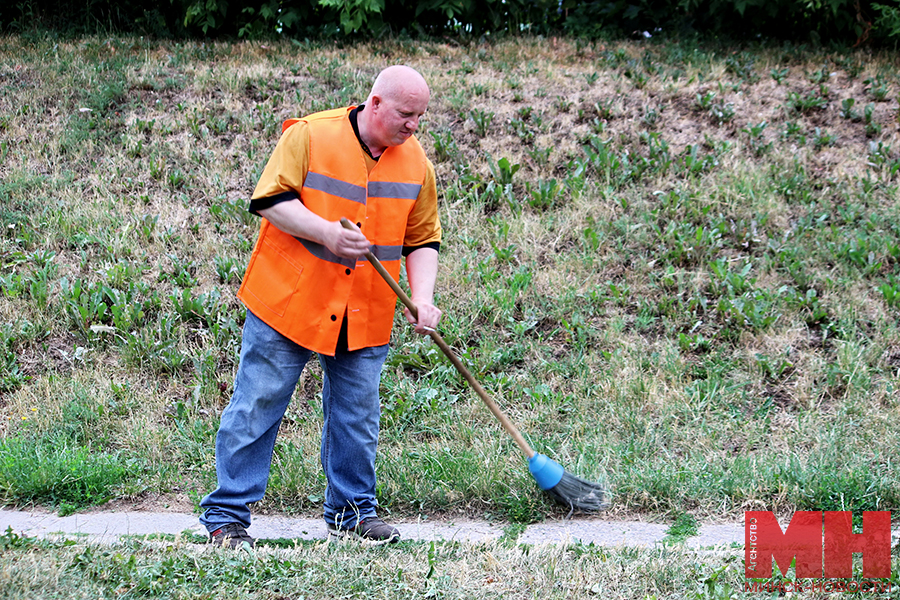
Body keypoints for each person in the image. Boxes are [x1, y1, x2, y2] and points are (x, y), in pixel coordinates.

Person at [199, 65, 442, 547]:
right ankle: (227, 517)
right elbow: (269, 200)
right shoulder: (310, 135)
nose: (414, 125)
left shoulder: (416, 164)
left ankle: (353, 514)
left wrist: (422, 297)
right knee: (257, 405)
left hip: (366, 308)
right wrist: (327, 232)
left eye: (421, 116)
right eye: (406, 114)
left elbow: (423, 239)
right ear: (375, 103)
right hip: (290, 301)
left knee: (357, 415)